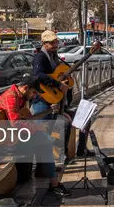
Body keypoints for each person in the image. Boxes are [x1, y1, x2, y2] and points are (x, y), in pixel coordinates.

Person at [0, 76, 69, 198]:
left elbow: (24, 119)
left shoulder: (19, 96)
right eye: (34, 92)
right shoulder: (11, 97)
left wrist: (36, 126)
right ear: (26, 88)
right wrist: (37, 128)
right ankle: (53, 182)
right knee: (45, 140)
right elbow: (15, 123)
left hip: (11, 135)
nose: (34, 96)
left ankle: (48, 174)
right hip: (3, 141)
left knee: (43, 138)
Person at [32, 30, 88, 159]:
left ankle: (81, 150)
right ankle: (60, 157)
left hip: (58, 101)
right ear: (44, 44)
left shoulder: (54, 56)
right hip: (44, 100)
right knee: (52, 128)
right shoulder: (40, 57)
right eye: (52, 43)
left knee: (85, 118)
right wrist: (58, 84)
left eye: (56, 42)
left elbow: (59, 74)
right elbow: (38, 75)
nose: (55, 45)